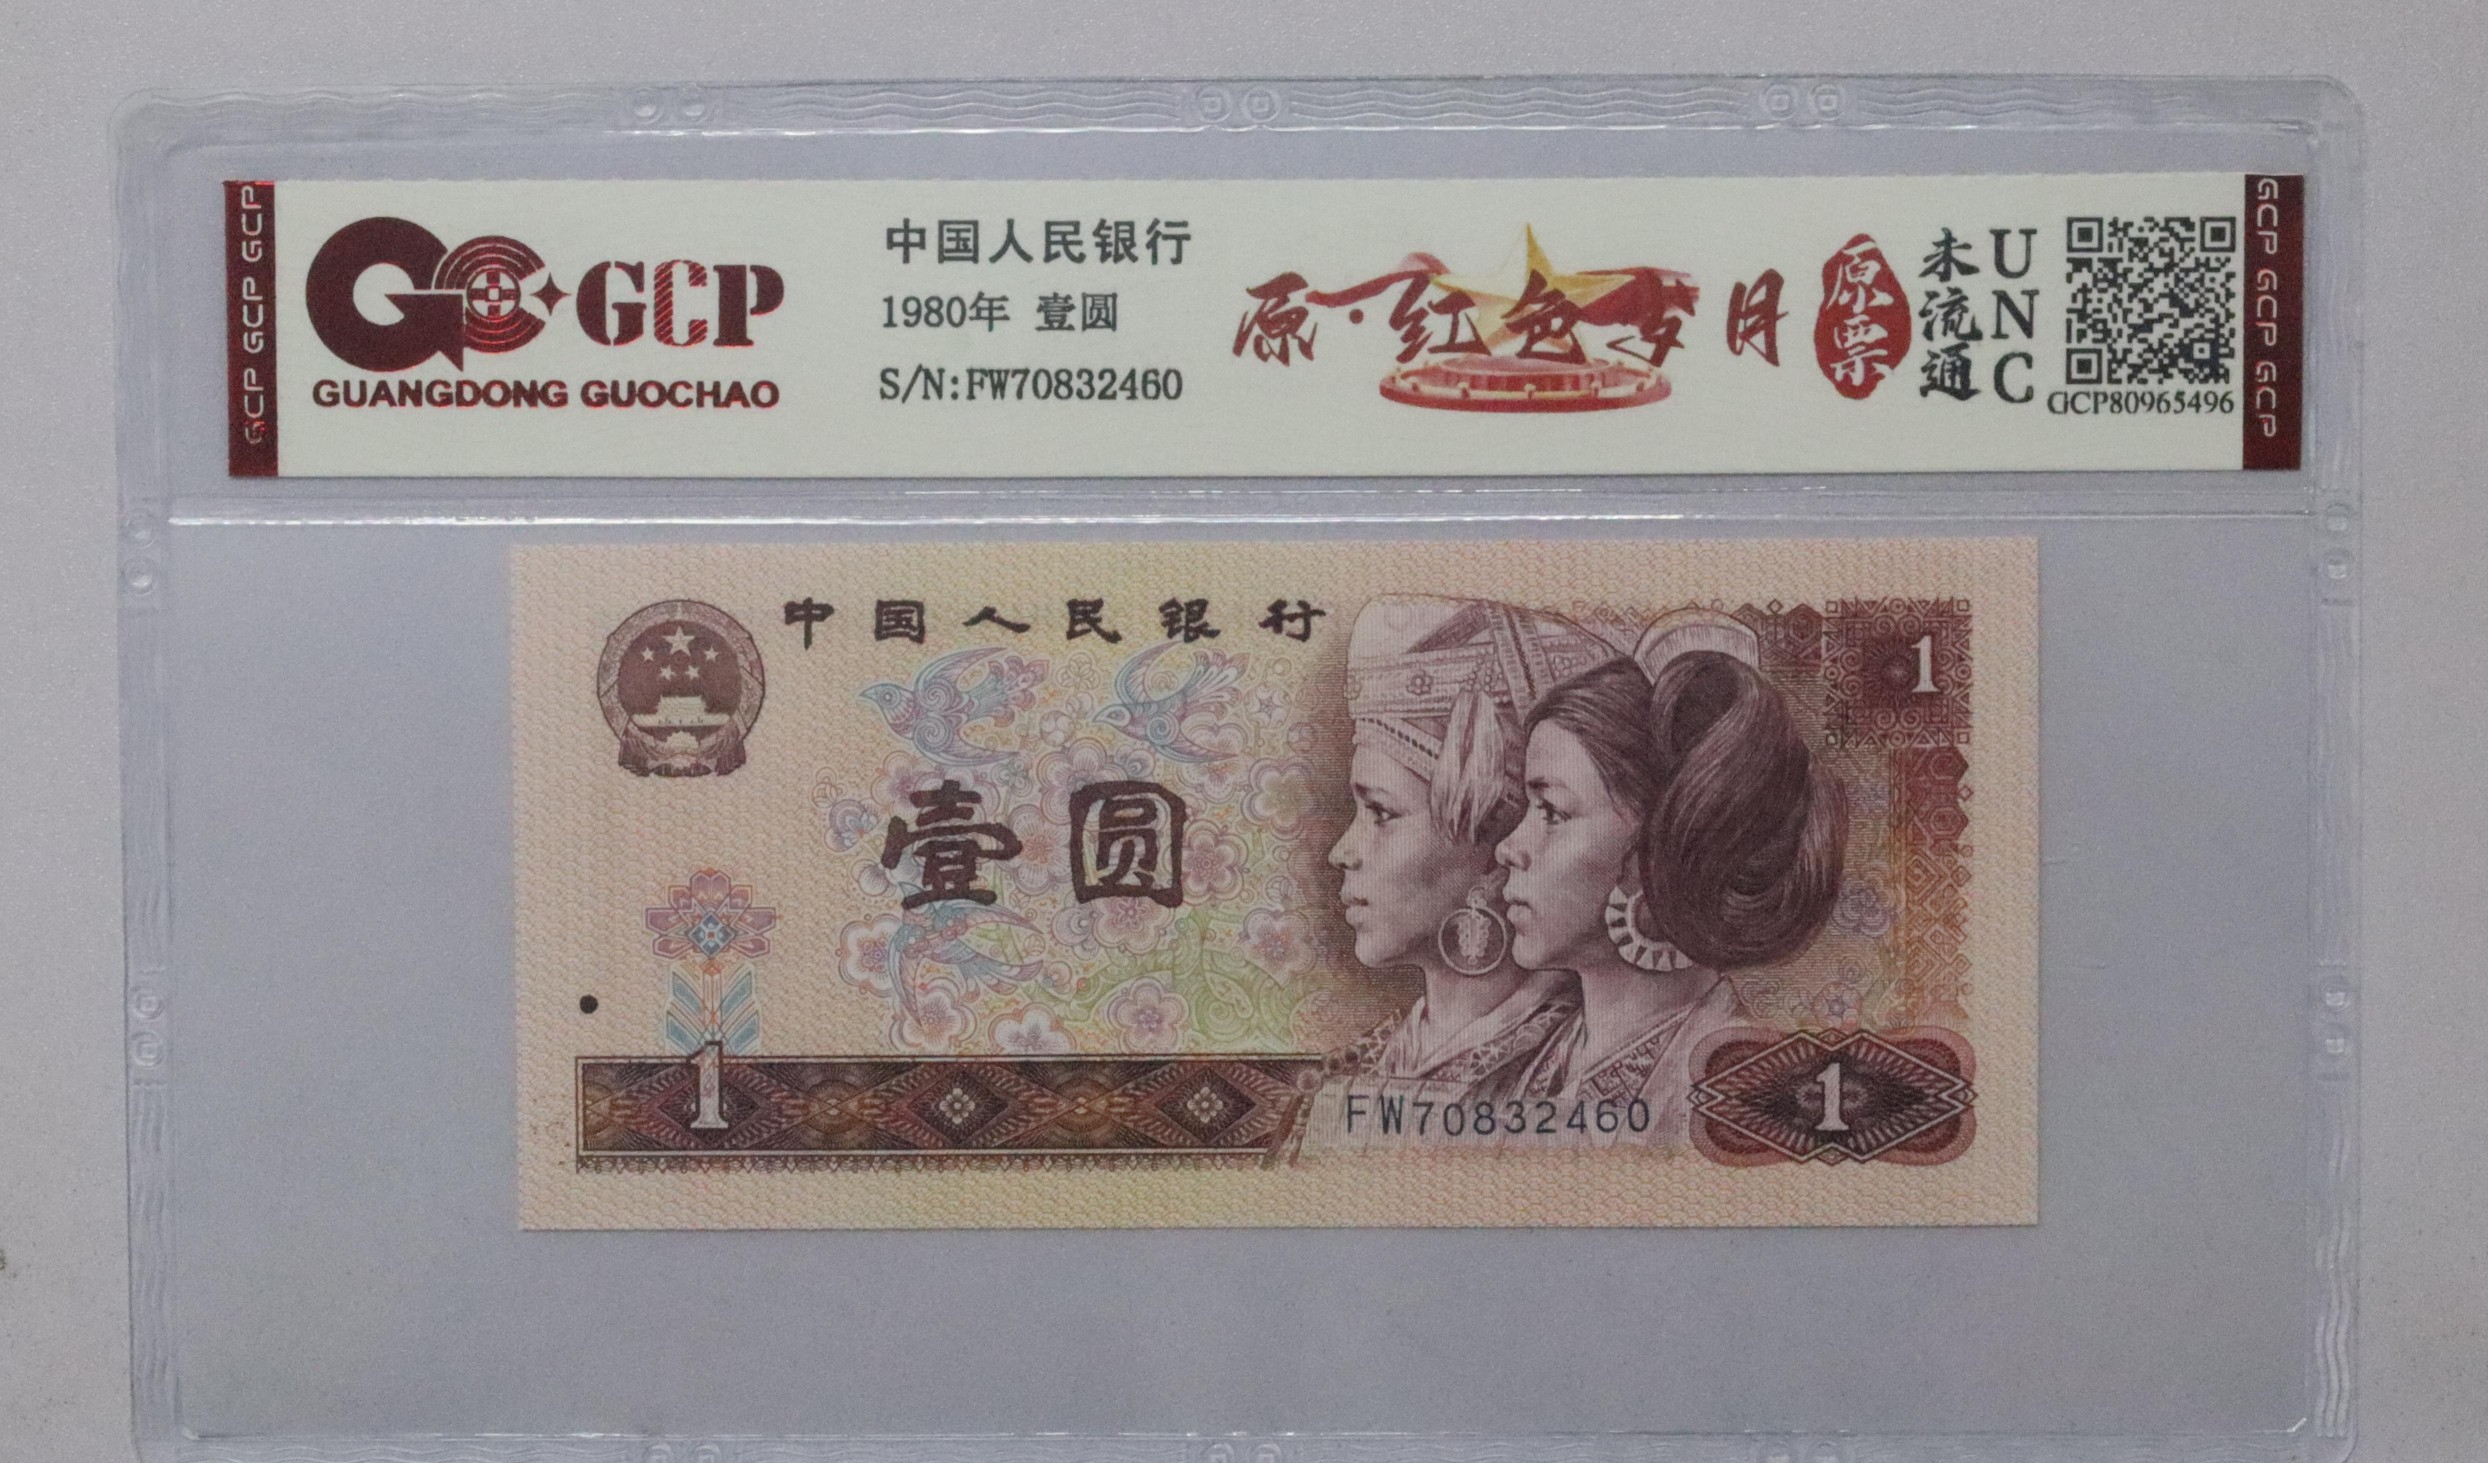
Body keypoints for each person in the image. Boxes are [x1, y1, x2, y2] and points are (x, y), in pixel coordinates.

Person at [1496, 609, 1846, 1143]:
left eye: (1553, 812)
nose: (1508, 848)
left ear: (1659, 848)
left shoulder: (1744, 1096)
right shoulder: (1528, 1068)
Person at [1323, 595, 1617, 1099]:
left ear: (1494, 851)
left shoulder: (1586, 1073)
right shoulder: (1358, 1069)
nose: (1341, 852)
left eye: (1382, 813)